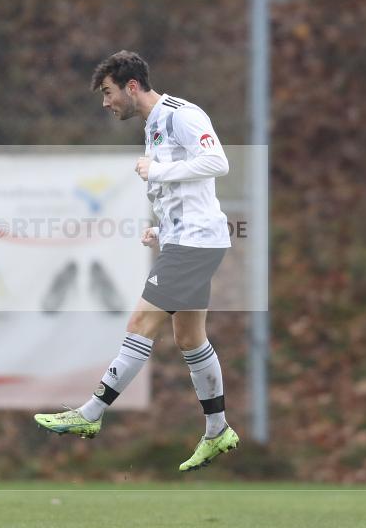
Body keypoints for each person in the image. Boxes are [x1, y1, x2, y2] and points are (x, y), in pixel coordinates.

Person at [34, 50, 238, 471]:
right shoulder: (154, 127)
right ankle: (218, 430)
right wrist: (162, 230)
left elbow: (218, 161)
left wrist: (156, 173)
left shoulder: (180, 114)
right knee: (189, 340)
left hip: (196, 244)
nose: (105, 103)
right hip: (186, 239)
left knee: (140, 324)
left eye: (108, 93)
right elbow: (190, 194)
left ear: (131, 86)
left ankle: (91, 412)